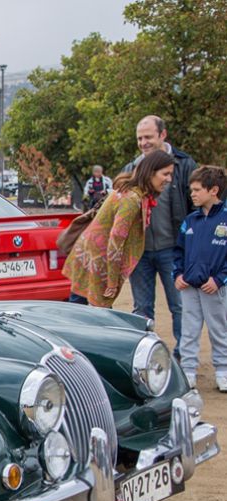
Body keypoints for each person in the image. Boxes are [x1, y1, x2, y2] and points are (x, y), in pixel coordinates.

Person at [122, 116, 197, 358]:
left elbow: (196, 207)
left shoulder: (184, 165)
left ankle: (183, 358)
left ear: (163, 135)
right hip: (140, 252)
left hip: (173, 249)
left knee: (180, 306)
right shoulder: (131, 168)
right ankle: (147, 359)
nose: (143, 143)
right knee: (142, 309)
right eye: (139, 138)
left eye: (148, 137)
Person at [63, 150, 175, 307]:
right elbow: (115, 242)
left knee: (80, 308)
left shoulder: (133, 192)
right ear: (150, 172)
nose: (169, 179)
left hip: (90, 258)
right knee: (94, 316)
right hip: (99, 263)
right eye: (165, 174)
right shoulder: (132, 200)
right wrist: (112, 282)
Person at [174, 165, 227, 391]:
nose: (192, 194)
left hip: (214, 288)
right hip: (190, 288)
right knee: (189, 330)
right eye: (191, 189)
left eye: (197, 189)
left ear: (213, 190)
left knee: (219, 330)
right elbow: (178, 251)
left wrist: (220, 279)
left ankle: (223, 371)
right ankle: (188, 371)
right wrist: (177, 274)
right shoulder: (190, 220)